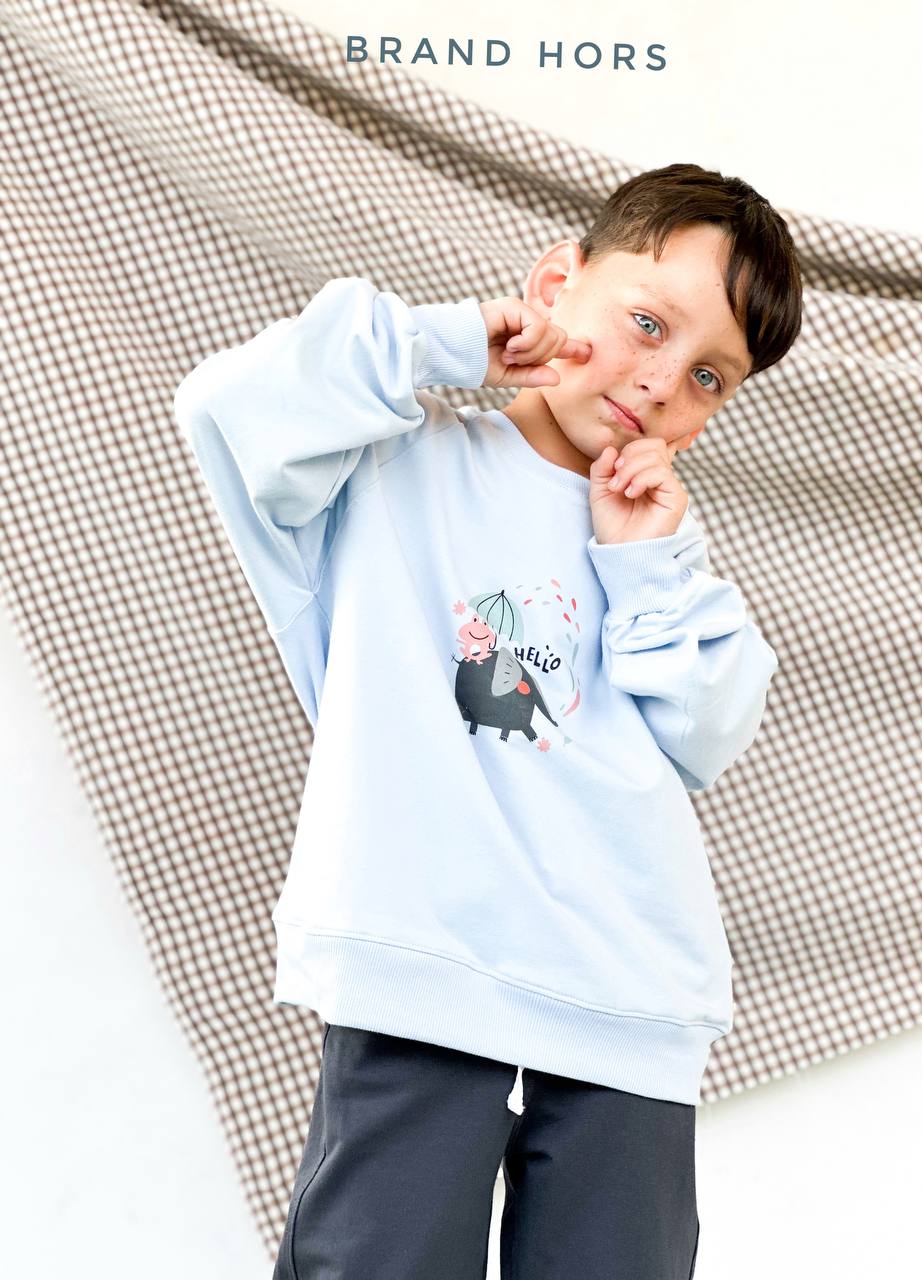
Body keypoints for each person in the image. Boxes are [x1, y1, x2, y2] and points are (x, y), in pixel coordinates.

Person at [173, 161, 803, 1279]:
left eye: (710, 375)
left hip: (629, 996)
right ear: (558, 283)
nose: (663, 381)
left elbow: (707, 734)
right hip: (425, 965)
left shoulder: (658, 543)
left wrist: (645, 564)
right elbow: (226, 404)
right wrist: (448, 344)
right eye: (648, 323)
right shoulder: (386, 468)